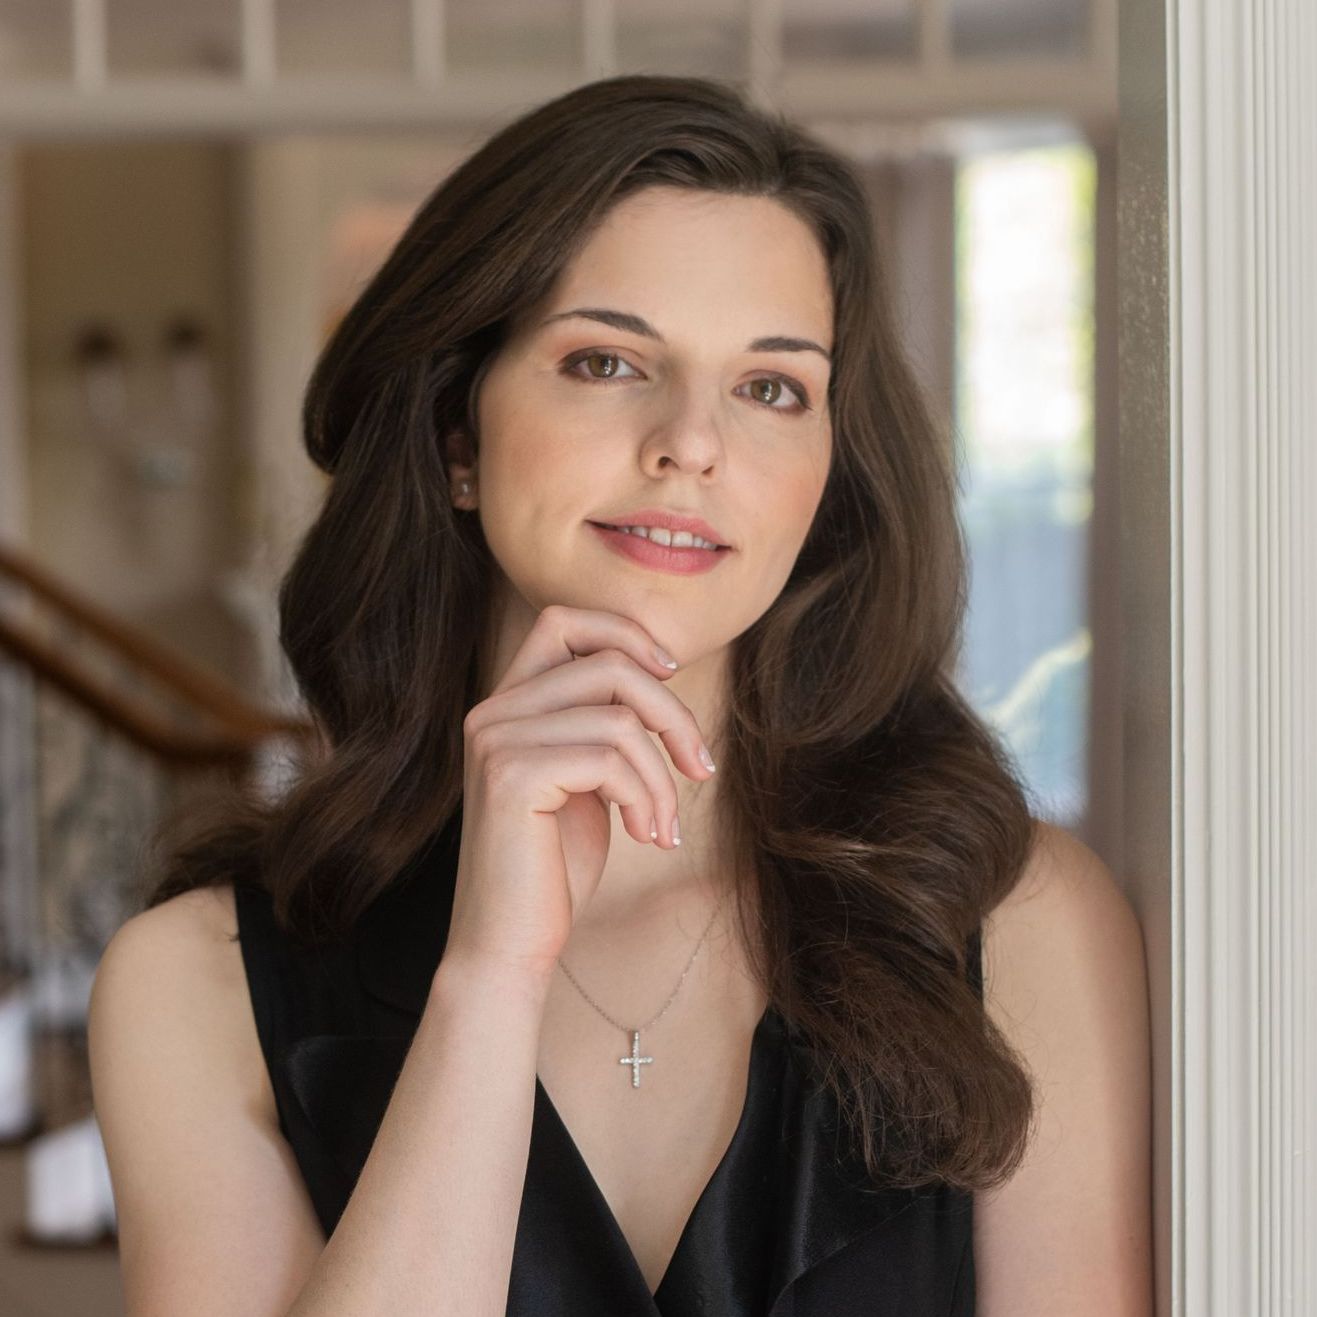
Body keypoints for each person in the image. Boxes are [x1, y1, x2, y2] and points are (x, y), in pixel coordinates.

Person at [87, 74, 1152, 1315]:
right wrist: (491, 977)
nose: (692, 442)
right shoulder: (195, 982)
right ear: (457, 440)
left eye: (771, 387)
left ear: (826, 475)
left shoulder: (1014, 924)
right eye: (605, 360)